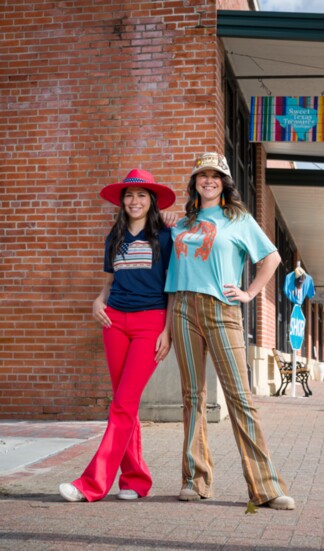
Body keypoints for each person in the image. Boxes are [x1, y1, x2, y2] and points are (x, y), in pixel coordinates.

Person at [164, 152, 295, 510]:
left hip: (223, 310)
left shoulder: (239, 218)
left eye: (216, 176)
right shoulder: (181, 223)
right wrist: (165, 326)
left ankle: (265, 487)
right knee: (192, 396)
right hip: (182, 310)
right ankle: (194, 480)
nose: (208, 181)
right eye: (202, 175)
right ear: (194, 183)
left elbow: (271, 258)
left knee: (240, 397)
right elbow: (171, 275)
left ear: (224, 182)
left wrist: (251, 292)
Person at [59, 168, 176, 502]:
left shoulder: (165, 236)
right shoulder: (114, 236)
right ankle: (136, 480)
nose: (134, 200)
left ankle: (91, 485)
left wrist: (167, 332)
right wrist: (98, 300)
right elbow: (110, 282)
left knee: (122, 405)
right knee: (127, 405)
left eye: (141, 195)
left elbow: (174, 288)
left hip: (150, 323)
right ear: (122, 201)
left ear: (151, 200)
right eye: (129, 195)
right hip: (114, 323)